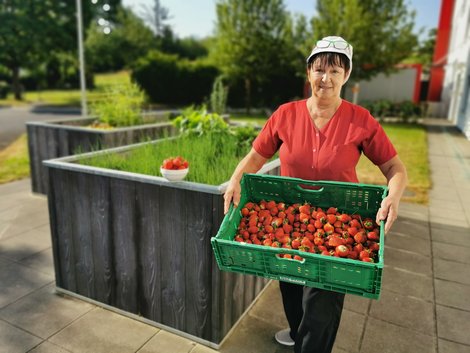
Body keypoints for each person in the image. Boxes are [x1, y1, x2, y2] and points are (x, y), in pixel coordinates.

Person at [223, 35, 408, 353]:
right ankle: (298, 333)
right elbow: (256, 156)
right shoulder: (285, 114)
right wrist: (235, 179)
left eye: (336, 71)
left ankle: (311, 345)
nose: (327, 78)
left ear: (346, 76)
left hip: (338, 221)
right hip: (289, 219)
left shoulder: (361, 121)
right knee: (291, 288)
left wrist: (393, 196)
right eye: (320, 69)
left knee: (322, 300)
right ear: (308, 72)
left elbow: (395, 168)